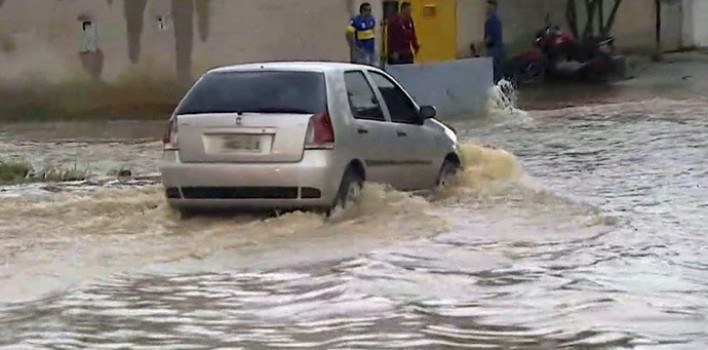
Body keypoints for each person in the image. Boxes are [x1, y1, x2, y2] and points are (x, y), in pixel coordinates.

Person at [484, 0, 506, 83]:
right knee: (498, 74)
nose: (486, 9)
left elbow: (490, 38)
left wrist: (480, 46)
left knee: (494, 76)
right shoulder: (496, 19)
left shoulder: (491, 20)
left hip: (494, 50)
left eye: (488, 6)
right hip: (499, 49)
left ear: (493, 7)